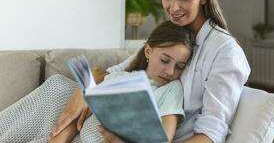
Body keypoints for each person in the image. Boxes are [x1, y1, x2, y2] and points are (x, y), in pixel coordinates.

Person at [51, 0, 251, 143]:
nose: (173, 7)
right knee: (62, 88)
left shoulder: (224, 51)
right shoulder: (171, 34)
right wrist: (81, 92)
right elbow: (116, 72)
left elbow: (210, 135)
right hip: (122, 126)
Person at [0, 21, 195, 143]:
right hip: (75, 127)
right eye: (165, 60)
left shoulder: (171, 89)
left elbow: (164, 138)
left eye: (179, 66)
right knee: (59, 85)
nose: (170, 71)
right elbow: (81, 107)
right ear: (148, 51)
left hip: (99, 136)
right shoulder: (121, 76)